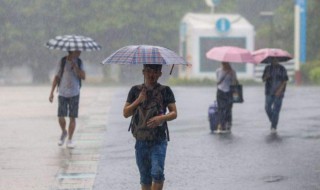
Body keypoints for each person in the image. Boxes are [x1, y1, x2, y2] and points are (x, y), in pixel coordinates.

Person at [123, 64, 177, 190]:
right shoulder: (135, 91)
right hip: (141, 140)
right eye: (148, 71)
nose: (151, 75)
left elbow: (174, 113)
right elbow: (126, 113)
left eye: (155, 72)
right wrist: (138, 100)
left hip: (159, 140)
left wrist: (161, 118)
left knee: (157, 173)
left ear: (160, 74)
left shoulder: (165, 90)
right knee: (145, 178)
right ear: (143, 72)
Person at [49, 50, 85, 148]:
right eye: (77, 50)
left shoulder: (79, 62)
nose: (80, 52)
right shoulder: (62, 61)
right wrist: (51, 92)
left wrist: (76, 68)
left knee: (72, 117)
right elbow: (56, 77)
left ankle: (70, 139)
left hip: (75, 93)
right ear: (72, 51)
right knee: (61, 116)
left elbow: (83, 76)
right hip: (62, 93)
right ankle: (64, 132)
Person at [262, 58, 288, 133]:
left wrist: (280, 90)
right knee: (267, 108)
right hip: (269, 92)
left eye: (276, 59)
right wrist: (266, 76)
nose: (275, 61)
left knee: (276, 110)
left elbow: (285, 80)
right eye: (273, 59)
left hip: (279, 93)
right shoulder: (267, 68)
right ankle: (274, 121)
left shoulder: (282, 68)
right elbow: (263, 79)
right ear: (271, 60)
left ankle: (273, 127)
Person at [215, 62, 238, 133]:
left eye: (225, 63)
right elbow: (218, 82)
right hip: (220, 92)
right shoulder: (218, 71)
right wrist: (225, 74)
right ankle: (220, 125)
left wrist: (232, 76)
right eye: (223, 63)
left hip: (229, 92)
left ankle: (228, 124)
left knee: (228, 109)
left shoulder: (233, 71)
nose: (224, 65)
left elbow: (235, 83)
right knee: (220, 109)